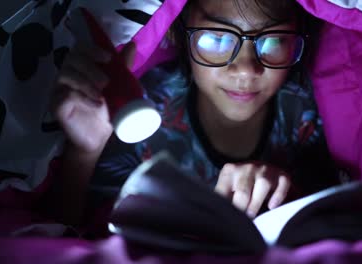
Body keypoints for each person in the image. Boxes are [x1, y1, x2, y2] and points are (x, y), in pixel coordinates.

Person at [49, 0, 340, 229]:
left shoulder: (308, 111)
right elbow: (73, 232)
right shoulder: (139, 107)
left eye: (274, 41)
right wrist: (83, 153)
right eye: (216, 39)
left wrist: (288, 201)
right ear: (178, 35)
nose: (246, 70)